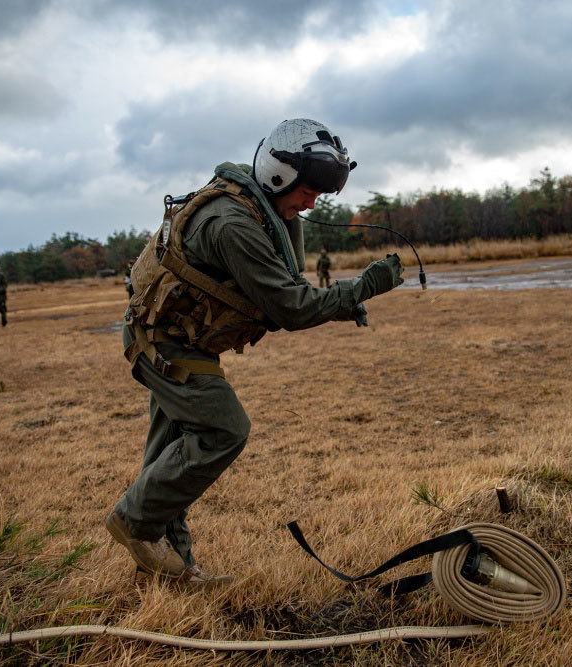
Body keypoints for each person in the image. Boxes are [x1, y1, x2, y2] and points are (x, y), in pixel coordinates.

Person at [106, 119, 404, 585]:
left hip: (182, 340)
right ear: (279, 175)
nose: (312, 204)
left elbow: (280, 292)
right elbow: (291, 307)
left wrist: (346, 307)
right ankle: (134, 521)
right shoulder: (232, 223)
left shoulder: (258, 210)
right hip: (163, 342)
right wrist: (363, 286)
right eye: (308, 192)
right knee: (223, 431)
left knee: (172, 455)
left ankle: (172, 569)